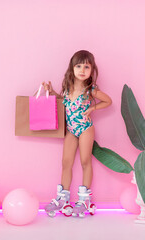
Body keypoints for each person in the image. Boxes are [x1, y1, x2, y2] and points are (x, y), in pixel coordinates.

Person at [43, 50, 112, 217]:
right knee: (66, 162)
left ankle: (84, 200)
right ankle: (63, 198)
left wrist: (93, 108)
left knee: (85, 161)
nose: (82, 70)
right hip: (71, 130)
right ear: (72, 68)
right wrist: (51, 92)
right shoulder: (68, 87)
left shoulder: (91, 89)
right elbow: (63, 102)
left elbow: (108, 101)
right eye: (78, 66)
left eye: (86, 67)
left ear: (91, 70)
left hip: (85, 128)